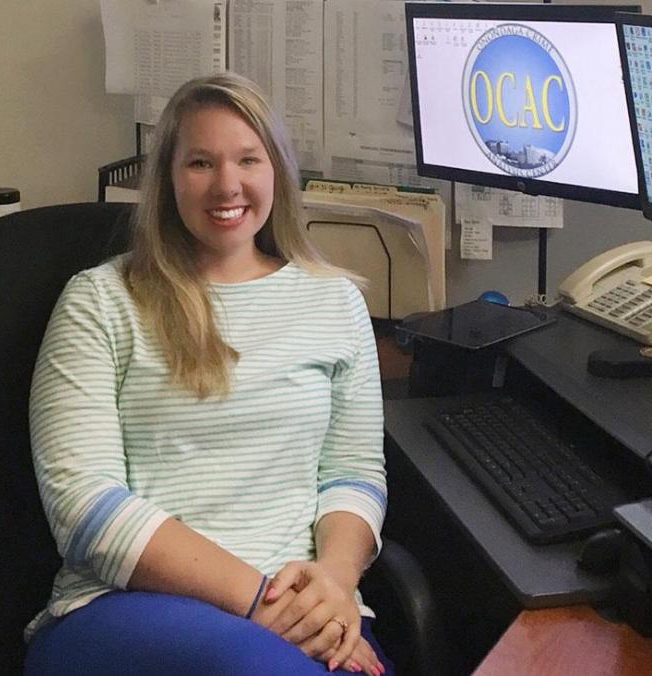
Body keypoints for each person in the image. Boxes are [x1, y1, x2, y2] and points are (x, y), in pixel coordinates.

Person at [23, 73, 391, 676]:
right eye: (200, 162)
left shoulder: (336, 302)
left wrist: (335, 581)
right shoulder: (100, 301)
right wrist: (260, 602)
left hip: (307, 609)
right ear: (167, 179)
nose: (227, 184)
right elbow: (86, 509)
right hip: (127, 610)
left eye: (249, 159)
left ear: (276, 172)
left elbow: (351, 473)